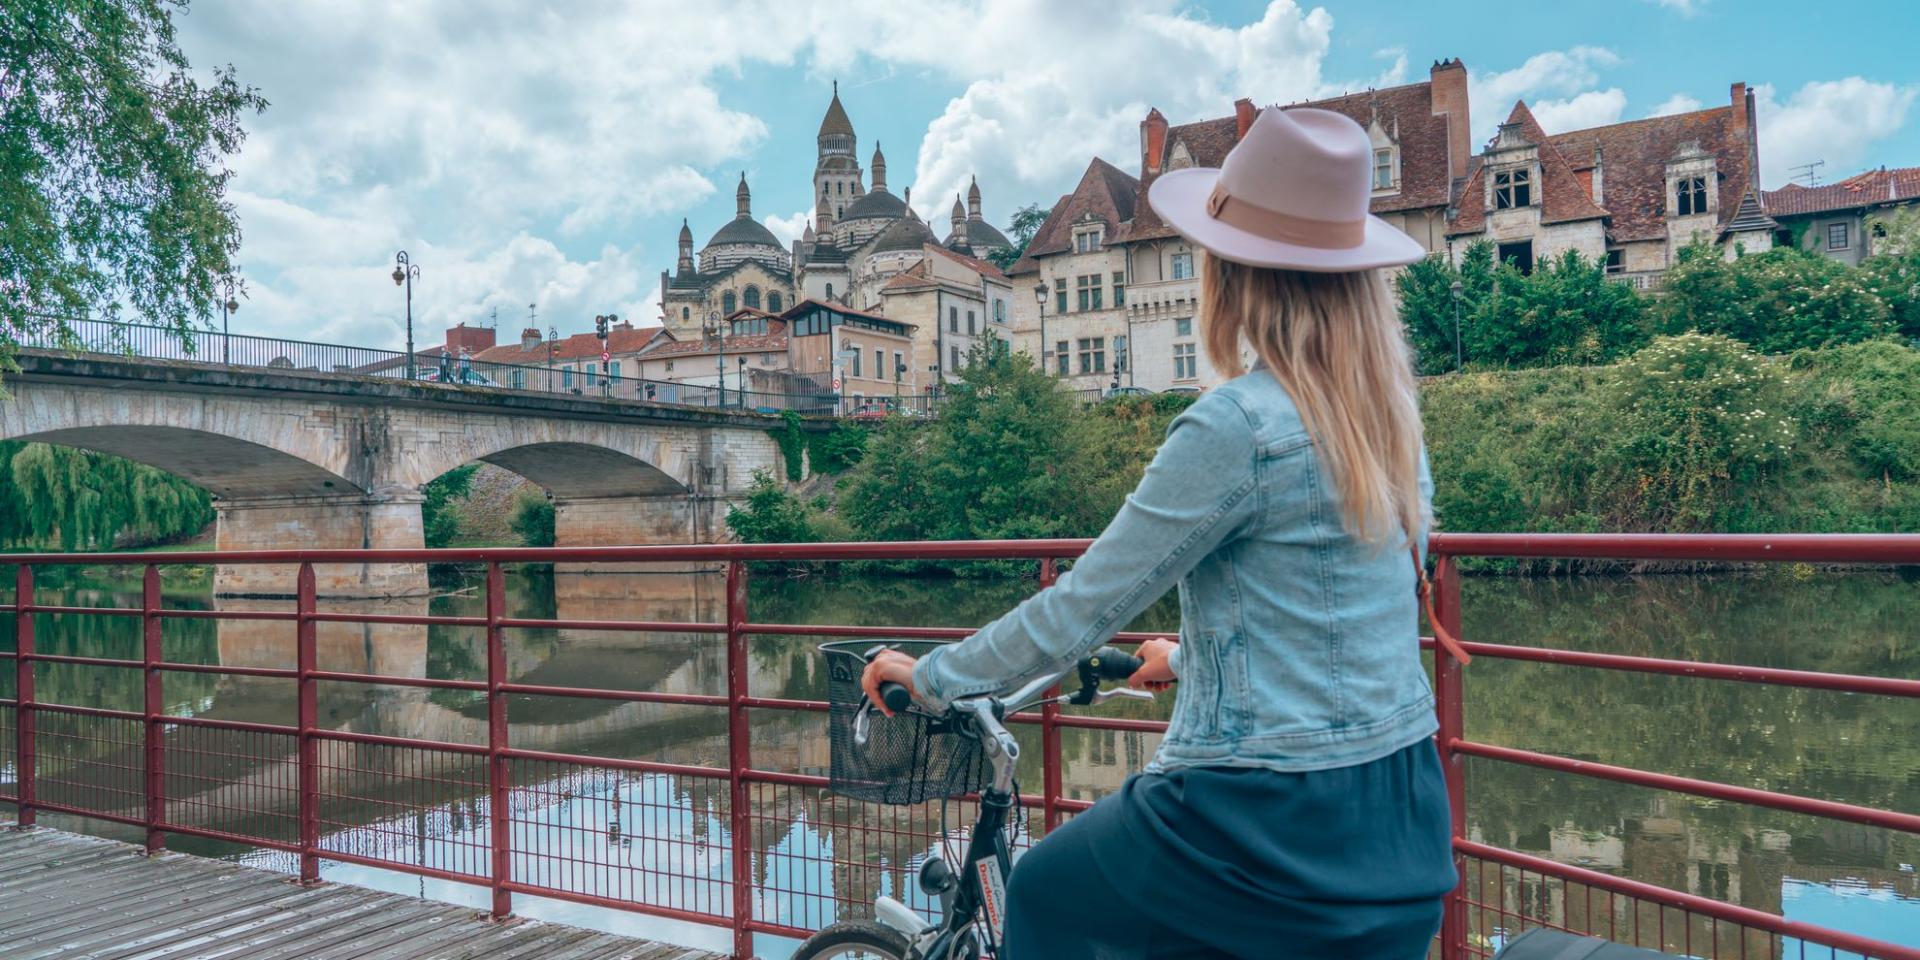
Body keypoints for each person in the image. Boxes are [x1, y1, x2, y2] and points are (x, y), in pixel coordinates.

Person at [861, 107, 1460, 959]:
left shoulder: (1237, 427)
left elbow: (1081, 609)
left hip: (1267, 824)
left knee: (1044, 889)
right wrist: (1182, 660)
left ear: (1235, 274)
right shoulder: (1390, 422)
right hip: (1399, 815)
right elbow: (1360, 607)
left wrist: (931, 676)